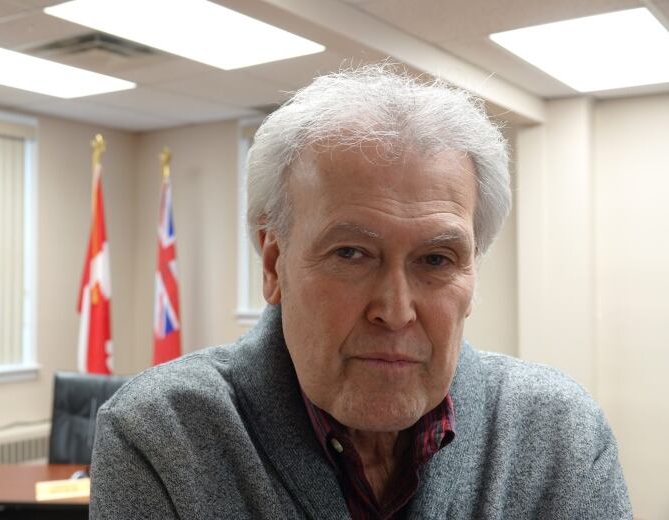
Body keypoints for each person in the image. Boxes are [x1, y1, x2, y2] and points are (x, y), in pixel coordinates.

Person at [90, 65, 632, 519]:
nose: (395, 312)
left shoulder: (561, 435)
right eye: (351, 254)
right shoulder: (162, 436)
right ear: (274, 263)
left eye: (436, 260)